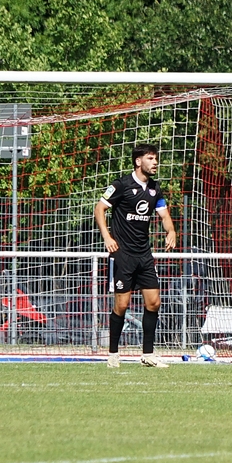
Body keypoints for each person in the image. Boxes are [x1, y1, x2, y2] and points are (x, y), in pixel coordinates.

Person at [94, 143, 177, 369]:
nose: (155, 162)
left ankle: (148, 354)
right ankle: (113, 354)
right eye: (150, 158)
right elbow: (99, 209)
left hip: (144, 255)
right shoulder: (121, 185)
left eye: (156, 158)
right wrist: (107, 237)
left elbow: (164, 216)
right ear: (138, 161)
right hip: (123, 254)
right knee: (122, 305)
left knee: (154, 302)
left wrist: (171, 231)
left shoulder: (155, 189)